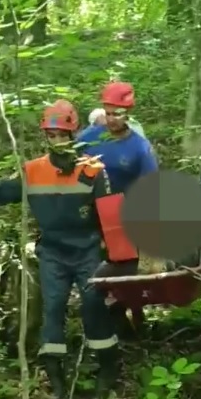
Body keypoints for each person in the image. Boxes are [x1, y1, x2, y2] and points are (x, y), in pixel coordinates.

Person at [0, 100, 139, 399]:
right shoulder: (34, 170)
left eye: (62, 135)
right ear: (45, 136)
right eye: (52, 135)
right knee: (53, 307)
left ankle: (108, 369)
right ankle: (55, 375)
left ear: (73, 134)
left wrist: (119, 257)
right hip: (53, 252)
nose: (58, 141)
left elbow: (111, 216)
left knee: (93, 306)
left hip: (88, 251)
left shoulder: (93, 170)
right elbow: (1, 191)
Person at [78, 82, 158, 336]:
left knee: (122, 269)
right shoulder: (89, 137)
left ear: (128, 114)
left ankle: (132, 315)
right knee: (93, 270)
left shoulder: (139, 147)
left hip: (122, 218)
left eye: (118, 113)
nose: (112, 119)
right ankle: (108, 319)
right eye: (108, 112)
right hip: (90, 215)